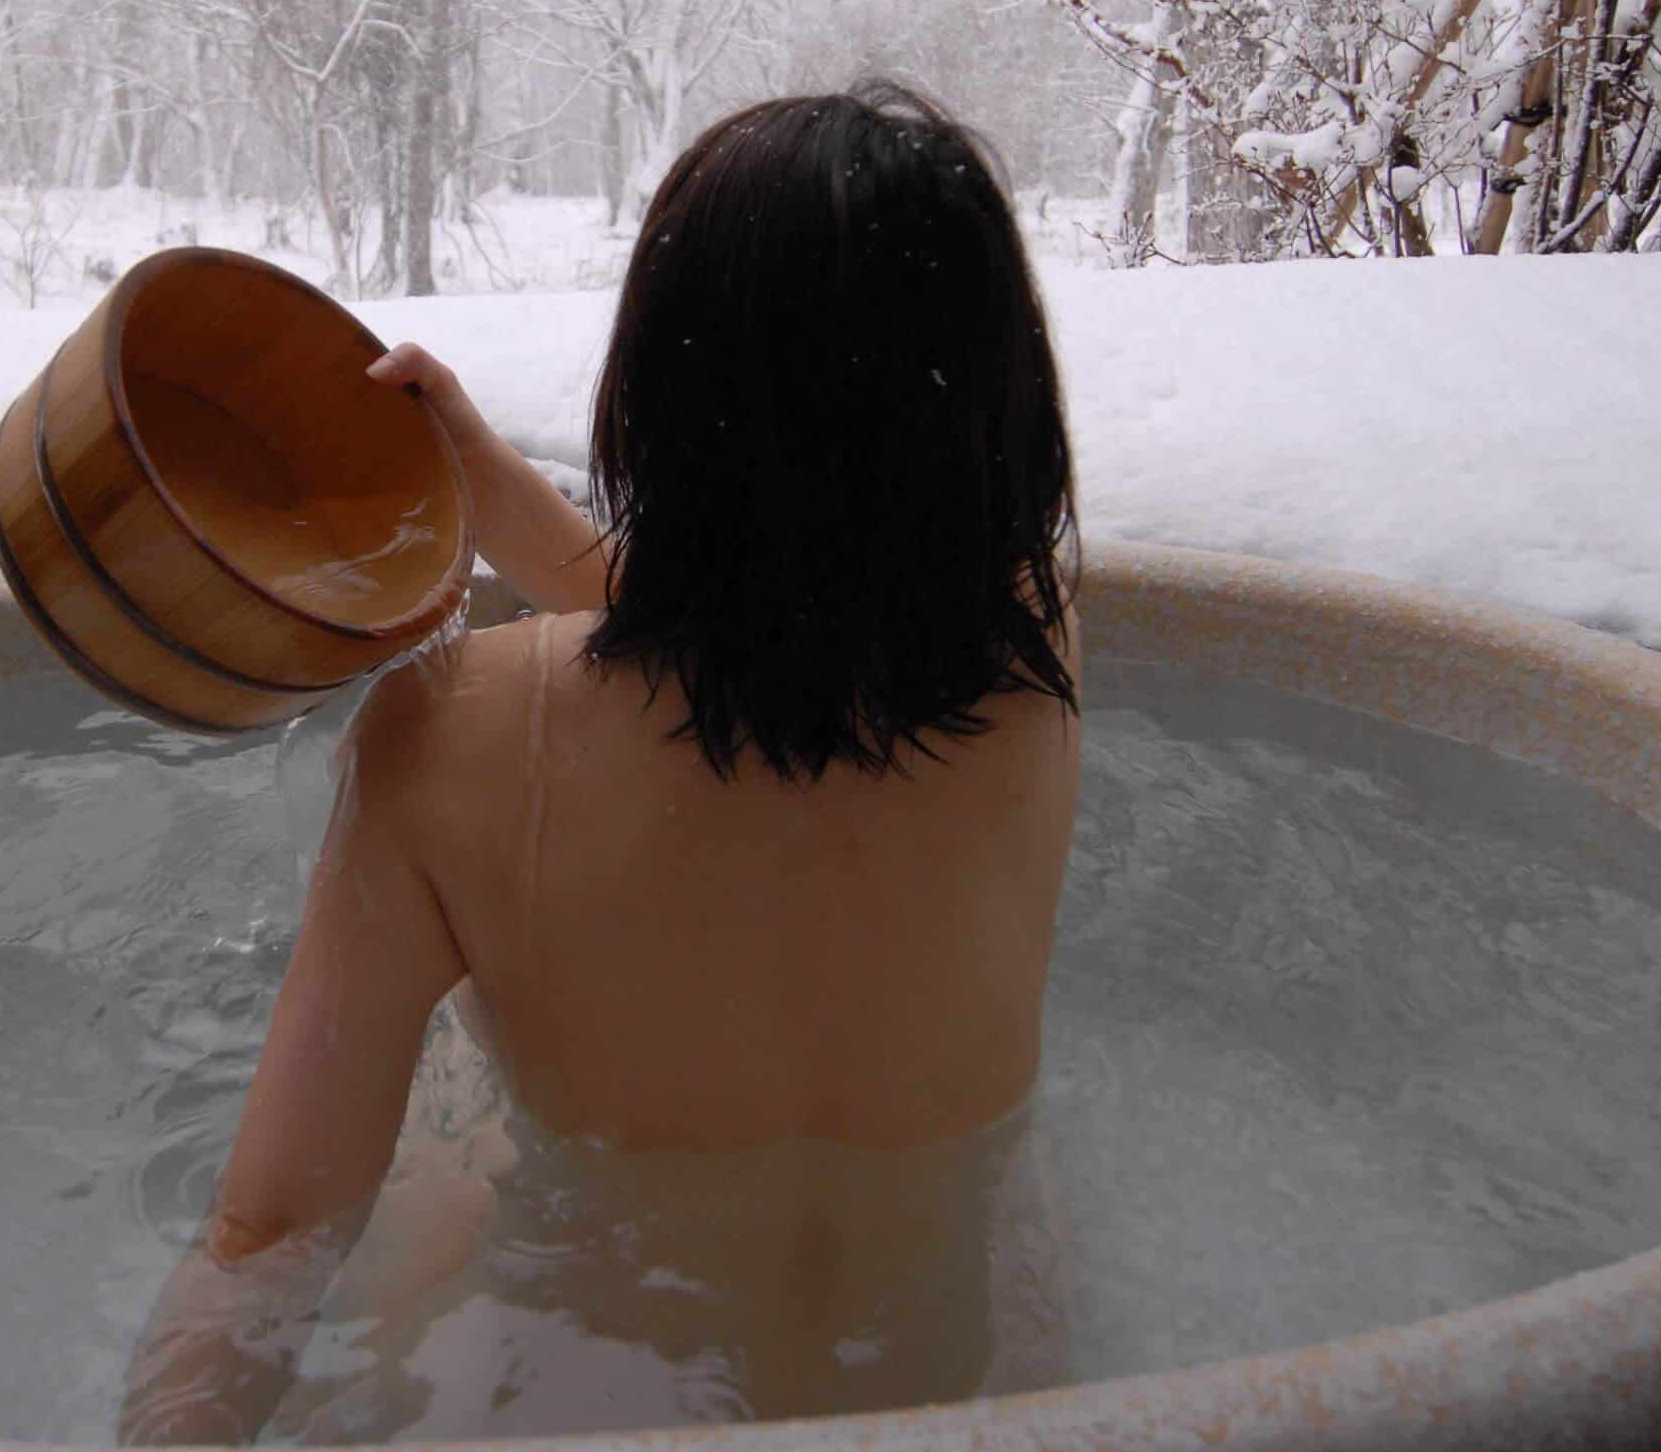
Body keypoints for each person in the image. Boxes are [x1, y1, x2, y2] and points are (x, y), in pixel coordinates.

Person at [119, 83, 1082, 1444]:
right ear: (1000, 403)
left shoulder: (456, 733)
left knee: (447, 1112)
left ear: (663, 395)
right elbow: (799, 598)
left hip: (601, 1390)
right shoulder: (1038, 648)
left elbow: (267, 1235)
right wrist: (485, 474)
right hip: (977, 1378)